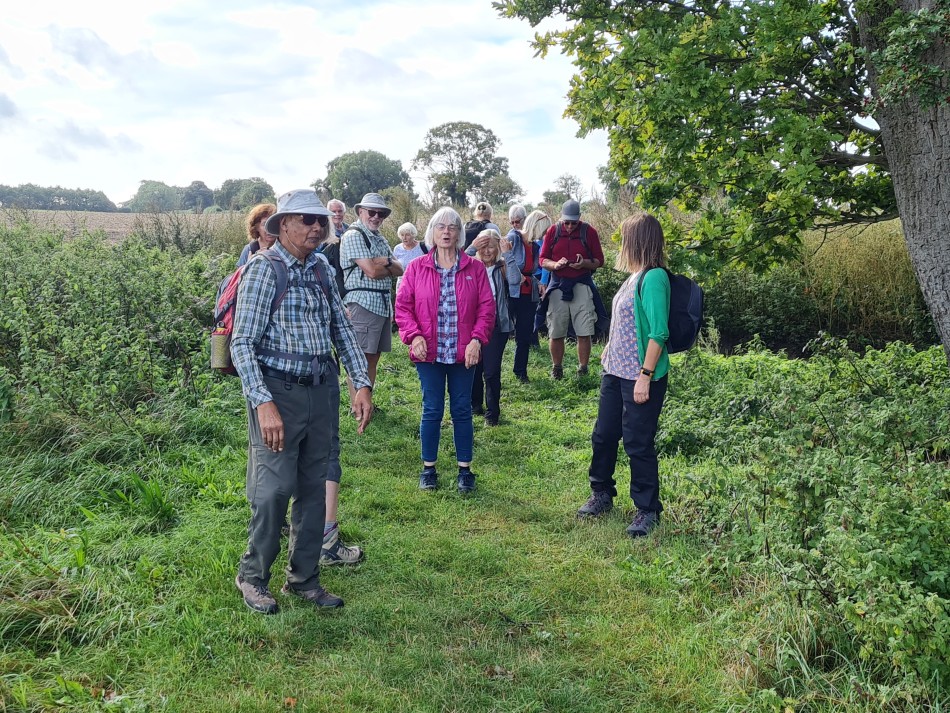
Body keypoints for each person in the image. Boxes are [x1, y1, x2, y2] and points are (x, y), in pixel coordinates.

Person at [230, 188, 373, 614]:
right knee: (273, 490)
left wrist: (360, 382)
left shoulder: (323, 271)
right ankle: (252, 576)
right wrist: (263, 403)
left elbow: (342, 332)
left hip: (321, 391)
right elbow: (242, 344)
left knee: (313, 488)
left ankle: (304, 579)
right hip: (279, 394)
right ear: (284, 225)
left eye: (320, 222)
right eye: (306, 221)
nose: (315, 228)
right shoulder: (262, 270)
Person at [577, 213, 671, 538]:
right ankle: (601, 493)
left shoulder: (655, 278)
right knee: (603, 436)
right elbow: (626, 324)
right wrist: (608, 352)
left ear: (638, 241)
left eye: (625, 238)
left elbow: (659, 333)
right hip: (614, 372)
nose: (621, 244)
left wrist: (645, 375)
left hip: (639, 377)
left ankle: (647, 509)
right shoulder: (633, 276)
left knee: (637, 442)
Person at [395, 207, 495, 493]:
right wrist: (413, 336)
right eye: (441, 227)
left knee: (462, 409)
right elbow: (403, 308)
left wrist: (477, 339)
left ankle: (465, 471)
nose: (447, 231)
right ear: (432, 232)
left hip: (464, 352)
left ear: (460, 233)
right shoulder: (416, 267)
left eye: (452, 226)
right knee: (432, 408)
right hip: (429, 353)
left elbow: (487, 309)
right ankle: (429, 469)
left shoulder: (474, 268)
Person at [340, 193, 404, 407]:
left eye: (381, 213)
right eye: (372, 212)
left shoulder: (379, 238)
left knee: (373, 357)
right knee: (360, 358)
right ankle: (356, 406)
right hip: (363, 303)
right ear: (360, 212)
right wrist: (384, 265)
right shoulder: (354, 235)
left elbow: (399, 268)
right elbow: (371, 271)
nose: (377, 217)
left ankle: (366, 402)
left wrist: (384, 261)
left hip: (381, 305)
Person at [539, 199, 604, 379]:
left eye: (573, 223)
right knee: (556, 330)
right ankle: (557, 368)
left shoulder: (589, 232)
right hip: (558, 284)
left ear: (579, 219)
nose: (569, 226)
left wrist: (584, 263)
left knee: (584, 331)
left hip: (581, 283)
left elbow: (600, 260)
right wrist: (555, 265)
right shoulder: (553, 231)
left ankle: (583, 369)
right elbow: (542, 259)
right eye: (566, 222)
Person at [470, 229, 518, 425]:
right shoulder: (471, 266)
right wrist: (472, 247)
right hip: (472, 324)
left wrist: (508, 253)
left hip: (497, 325)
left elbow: (515, 281)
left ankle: (493, 413)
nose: (487, 251)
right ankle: (475, 405)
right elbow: (452, 268)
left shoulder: (503, 266)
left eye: (491, 246)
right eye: (483, 246)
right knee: (473, 366)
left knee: (491, 370)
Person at [507, 209, 549, 381]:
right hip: (510, 293)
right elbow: (504, 262)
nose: (545, 234)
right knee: (501, 333)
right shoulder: (513, 238)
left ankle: (521, 371)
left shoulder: (535, 245)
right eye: (544, 230)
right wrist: (518, 275)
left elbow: (533, 271)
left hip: (527, 293)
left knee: (524, 334)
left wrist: (538, 283)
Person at [236, 203, 277, 268]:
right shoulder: (250, 249)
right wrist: (248, 265)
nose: (270, 228)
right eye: (265, 224)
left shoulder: (284, 247)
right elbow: (239, 276)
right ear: (256, 227)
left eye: (273, 224)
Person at [392, 222, 426, 293]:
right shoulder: (397, 249)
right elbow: (395, 268)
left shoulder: (423, 247)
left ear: (413, 235)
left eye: (407, 235)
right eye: (402, 235)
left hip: (420, 286)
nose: (404, 238)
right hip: (402, 287)